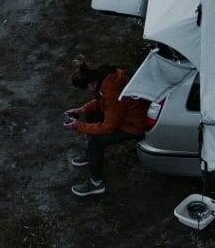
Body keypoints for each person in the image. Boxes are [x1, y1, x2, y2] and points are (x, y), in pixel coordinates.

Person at [63, 60, 151, 197]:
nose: (88, 91)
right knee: (92, 114)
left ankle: (96, 183)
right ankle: (91, 155)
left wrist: (78, 126)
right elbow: (102, 101)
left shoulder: (111, 91)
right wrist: (83, 109)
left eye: (86, 88)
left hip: (133, 125)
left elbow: (109, 127)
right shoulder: (107, 77)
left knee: (96, 140)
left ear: (91, 84)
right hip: (128, 115)